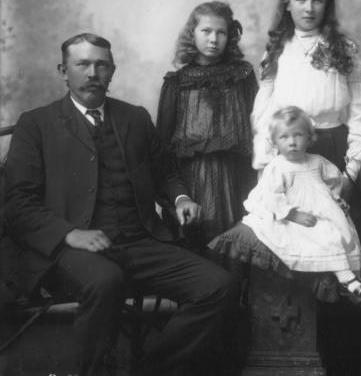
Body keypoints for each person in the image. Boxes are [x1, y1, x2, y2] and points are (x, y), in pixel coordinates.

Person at [4, 33, 238, 376]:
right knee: (105, 281)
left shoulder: (135, 118)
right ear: (63, 71)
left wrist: (181, 197)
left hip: (141, 241)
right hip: (72, 252)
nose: (92, 73)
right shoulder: (36, 123)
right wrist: (70, 234)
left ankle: (151, 369)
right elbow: (17, 203)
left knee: (219, 286)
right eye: (82, 64)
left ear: (112, 71)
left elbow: (165, 173)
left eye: (101, 64)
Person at [227, 106, 361, 304]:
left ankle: (352, 281)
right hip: (295, 212)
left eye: (298, 135)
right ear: (275, 142)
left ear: (309, 137)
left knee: (339, 231)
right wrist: (292, 215)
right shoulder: (277, 167)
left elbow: (333, 182)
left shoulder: (318, 162)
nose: (292, 142)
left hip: (321, 208)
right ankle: (348, 281)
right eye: (284, 137)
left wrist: (336, 199)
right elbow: (271, 196)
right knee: (324, 234)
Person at [251, 0, 361, 201]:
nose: (308, 8)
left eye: (317, 0)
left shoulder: (345, 49)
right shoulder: (277, 51)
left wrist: (351, 172)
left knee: (334, 227)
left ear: (327, 5)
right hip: (288, 150)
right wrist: (266, 166)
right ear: (287, 4)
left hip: (333, 150)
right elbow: (264, 116)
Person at [157, 1, 257, 250]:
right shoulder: (177, 83)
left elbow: (259, 124)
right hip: (194, 178)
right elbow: (163, 142)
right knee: (198, 241)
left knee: (237, 241)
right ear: (193, 34)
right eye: (206, 31)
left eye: (221, 32)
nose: (214, 39)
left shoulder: (243, 75)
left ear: (230, 36)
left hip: (238, 176)